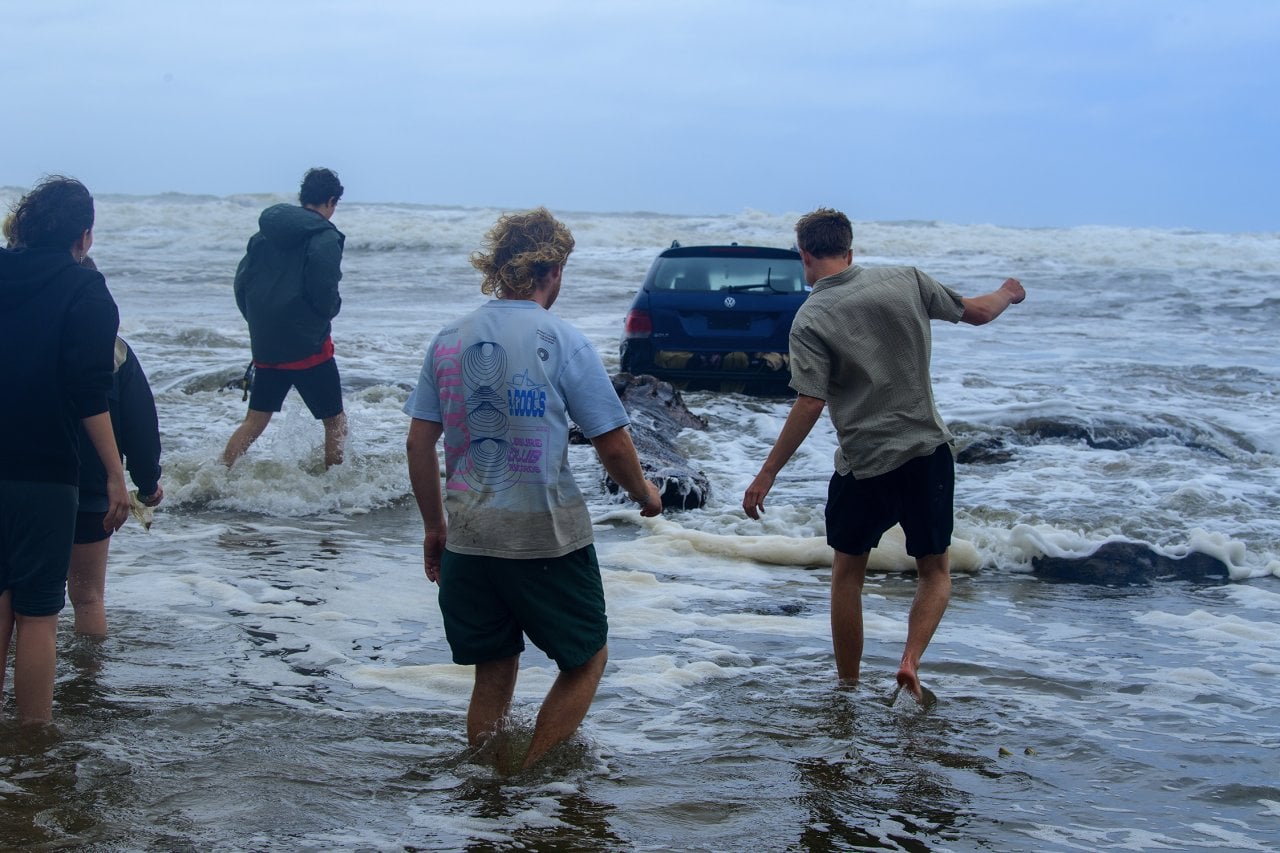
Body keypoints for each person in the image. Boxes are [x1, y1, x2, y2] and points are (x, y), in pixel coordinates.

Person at [405, 207, 662, 771]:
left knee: (492, 673)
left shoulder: (448, 340)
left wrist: (434, 527)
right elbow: (613, 444)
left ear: (499, 269)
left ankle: (488, 792)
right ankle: (529, 781)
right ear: (553, 270)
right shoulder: (563, 340)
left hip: (469, 537)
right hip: (544, 537)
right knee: (587, 658)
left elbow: (418, 444)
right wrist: (645, 493)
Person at [742, 208, 1025, 703]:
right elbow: (978, 312)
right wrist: (1008, 291)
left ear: (804, 257)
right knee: (934, 570)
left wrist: (766, 473)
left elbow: (810, 401)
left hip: (865, 464)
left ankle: (848, 687)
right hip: (927, 452)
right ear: (850, 250)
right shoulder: (906, 281)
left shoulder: (810, 318)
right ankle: (910, 660)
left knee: (846, 576)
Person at [1, 176, 128, 723]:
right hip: (45, 469)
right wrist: (115, 474)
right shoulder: (85, 290)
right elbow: (89, 394)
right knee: (36, 615)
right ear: (84, 237)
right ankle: (33, 744)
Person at [223, 167, 347, 469]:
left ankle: (217, 475)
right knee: (334, 421)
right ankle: (337, 488)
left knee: (255, 420)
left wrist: (260, 324)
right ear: (330, 200)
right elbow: (324, 291)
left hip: (267, 347)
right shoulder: (325, 237)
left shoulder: (262, 235)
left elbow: (241, 285)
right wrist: (329, 311)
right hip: (309, 348)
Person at [69, 326, 164, 637]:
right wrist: (148, 485)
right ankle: (88, 681)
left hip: (22, 483)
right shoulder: (114, 350)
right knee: (88, 598)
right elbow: (141, 426)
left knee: (16, 597)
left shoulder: (20, 333)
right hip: (91, 487)